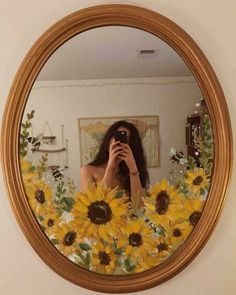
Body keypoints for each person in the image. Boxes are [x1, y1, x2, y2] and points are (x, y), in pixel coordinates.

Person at [80, 120, 149, 207]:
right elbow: (94, 207)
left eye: (126, 140)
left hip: (130, 220)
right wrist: (110, 168)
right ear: (108, 141)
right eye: (116, 138)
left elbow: (140, 208)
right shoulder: (87, 170)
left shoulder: (132, 172)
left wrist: (133, 169)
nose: (119, 143)